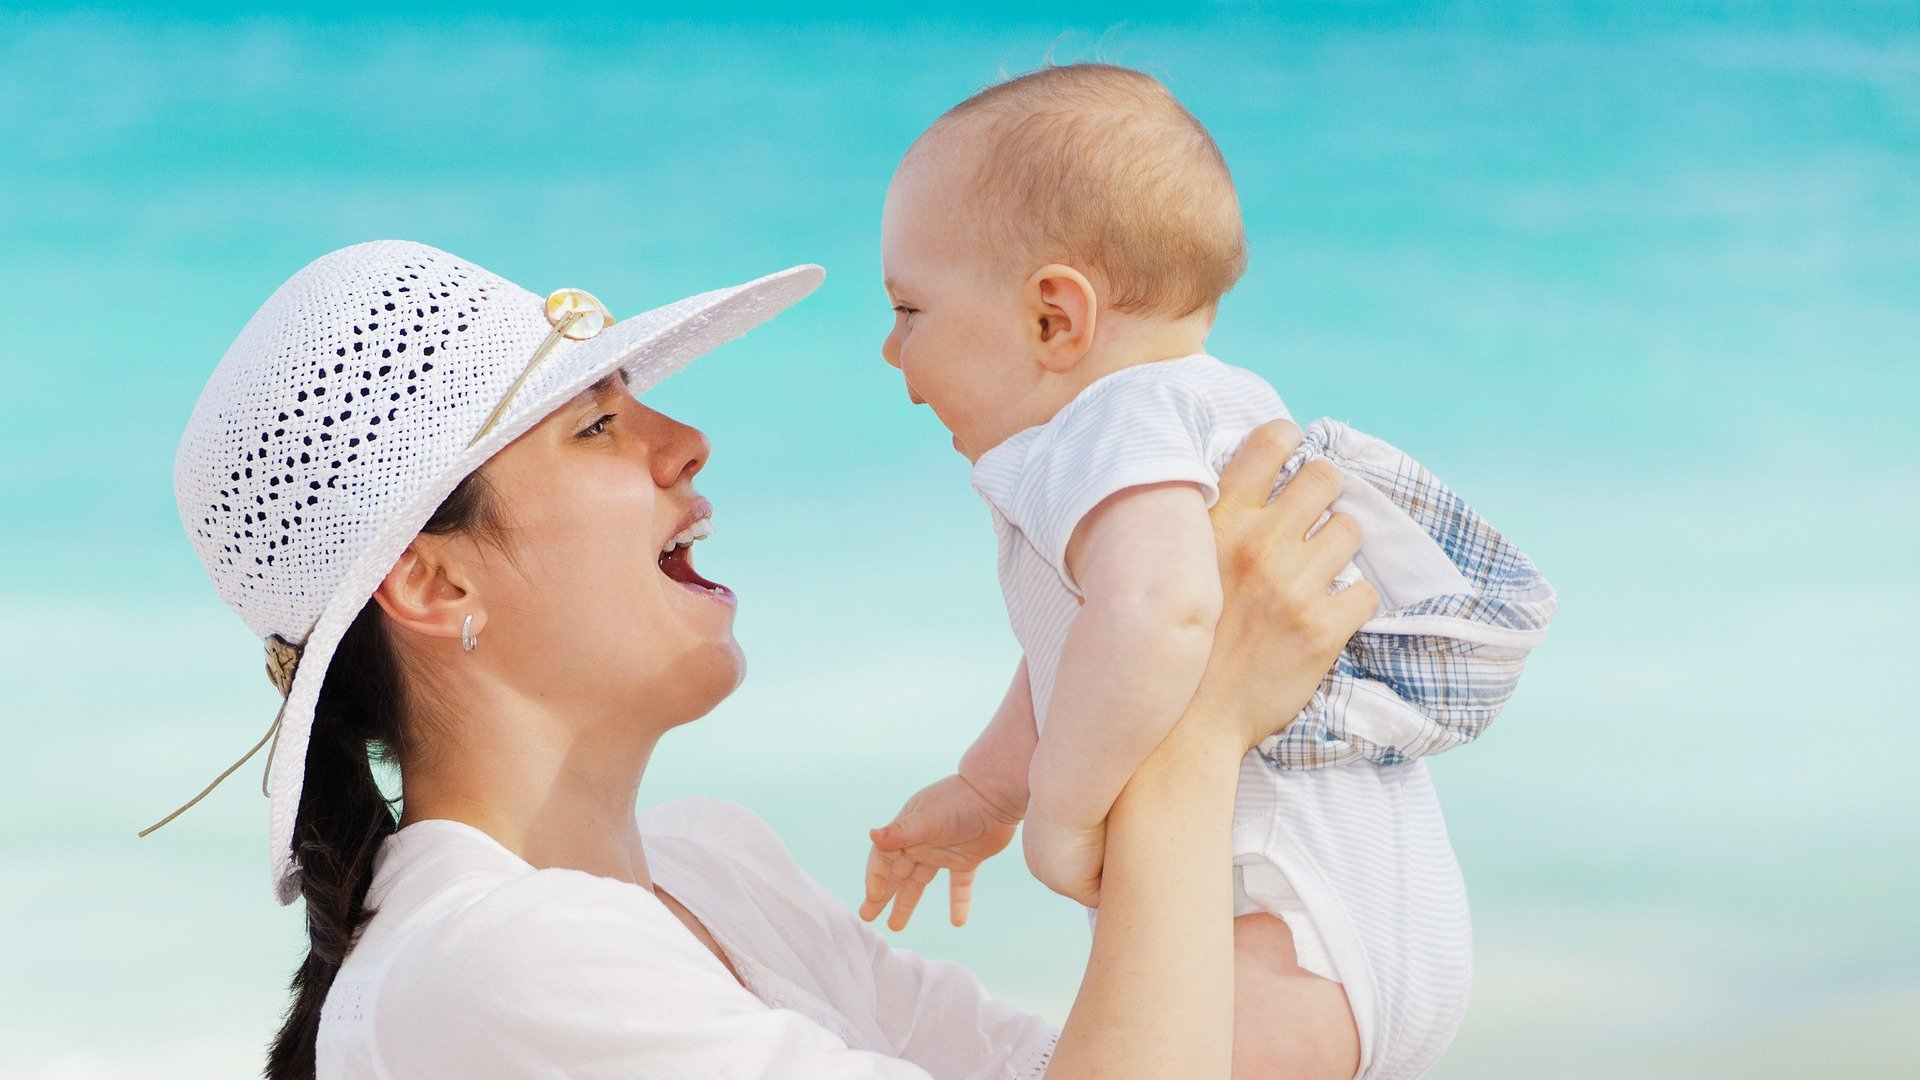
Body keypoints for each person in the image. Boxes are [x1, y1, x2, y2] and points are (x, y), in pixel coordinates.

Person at [148, 238, 1378, 1080]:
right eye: (597, 427)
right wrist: (1196, 721)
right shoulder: (490, 963)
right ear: (435, 580)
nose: (688, 442)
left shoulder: (712, 864)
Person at [864, 63, 1556, 1080]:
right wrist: (988, 787)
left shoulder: (1115, 421)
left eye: (910, 310)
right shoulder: (1202, 411)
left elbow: (1162, 615)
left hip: (1278, 915)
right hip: (1353, 915)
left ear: (1056, 319)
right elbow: (1088, 641)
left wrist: (1061, 814)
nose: (889, 352)